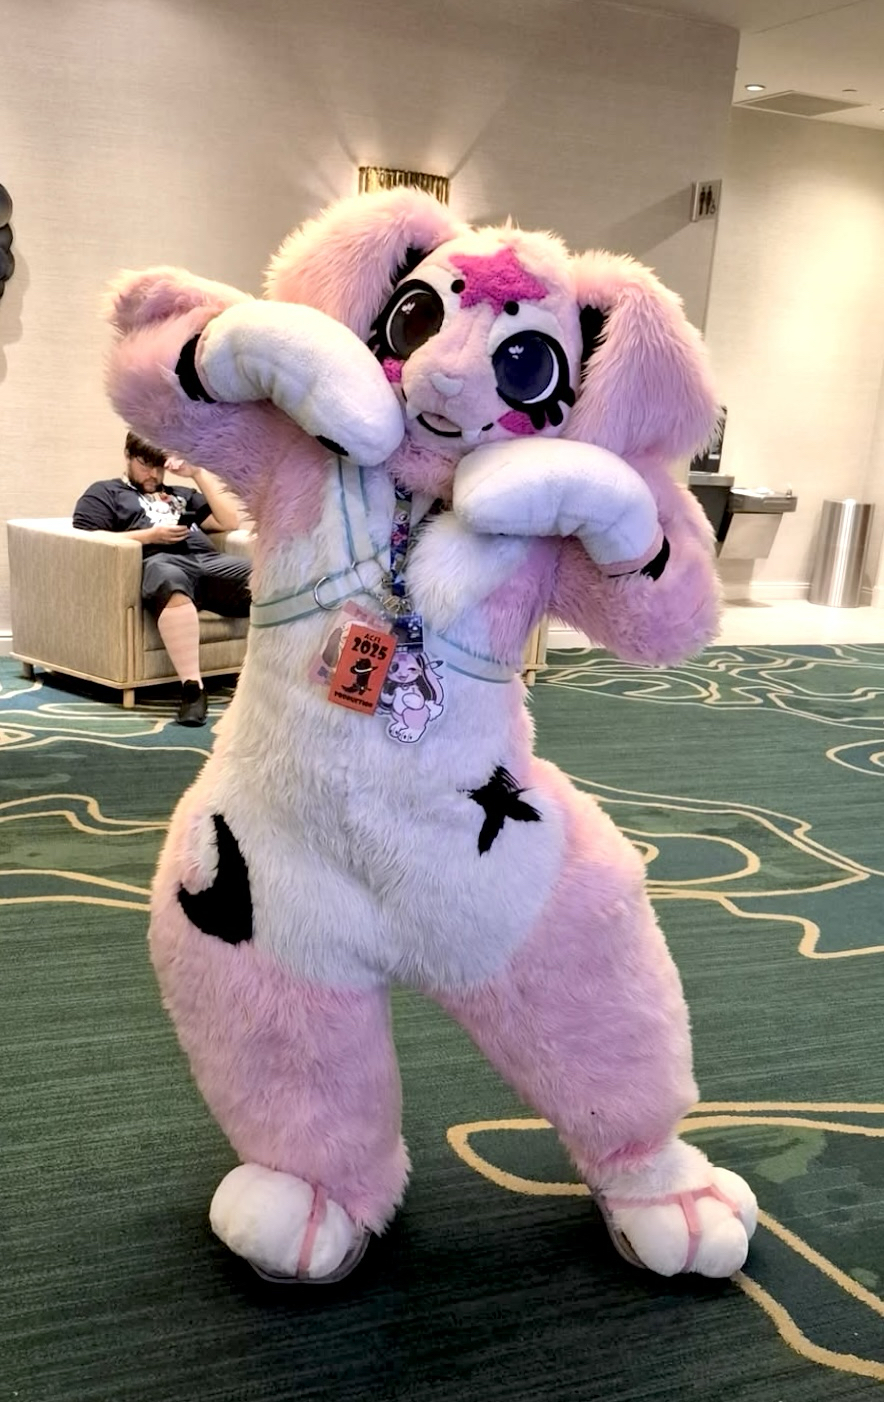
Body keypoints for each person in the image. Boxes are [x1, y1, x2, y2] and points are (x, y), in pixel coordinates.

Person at [73, 431, 251, 725]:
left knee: (264, 578)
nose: (153, 474)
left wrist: (198, 473)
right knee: (169, 577)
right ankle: (193, 690)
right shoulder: (106, 493)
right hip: (159, 561)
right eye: (145, 465)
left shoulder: (182, 495)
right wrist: (149, 536)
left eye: (159, 466)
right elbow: (86, 538)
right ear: (128, 456)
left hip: (205, 561)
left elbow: (229, 521)